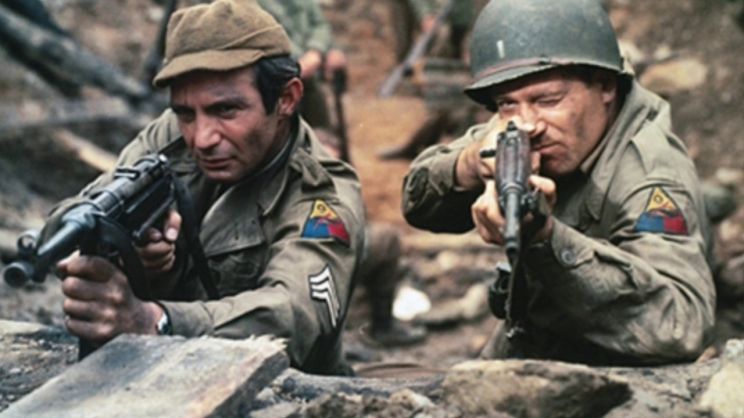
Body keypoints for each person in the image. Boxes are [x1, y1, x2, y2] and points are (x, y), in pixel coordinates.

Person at [46, 0, 365, 376]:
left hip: (286, 391)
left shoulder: (321, 192)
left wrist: (155, 320)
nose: (201, 138)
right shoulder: (171, 134)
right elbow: (89, 208)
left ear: (286, 99)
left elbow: (292, 317)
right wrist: (131, 251)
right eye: (185, 113)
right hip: (154, 376)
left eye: (226, 110)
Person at [401, 0, 716, 365]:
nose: (528, 124)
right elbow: (415, 202)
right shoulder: (526, 124)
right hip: (533, 342)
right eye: (506, 104)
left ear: (605, 86)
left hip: (617, 367)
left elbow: (680, 324)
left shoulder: (649, 174)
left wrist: (545, 238)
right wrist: (471, 163)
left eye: (548, 100)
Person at [257, 0, 347, 131]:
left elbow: (319, 23)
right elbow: (266, 36)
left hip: (310, 62)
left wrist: (322, 50)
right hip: (278, 68)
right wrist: (304, 61)